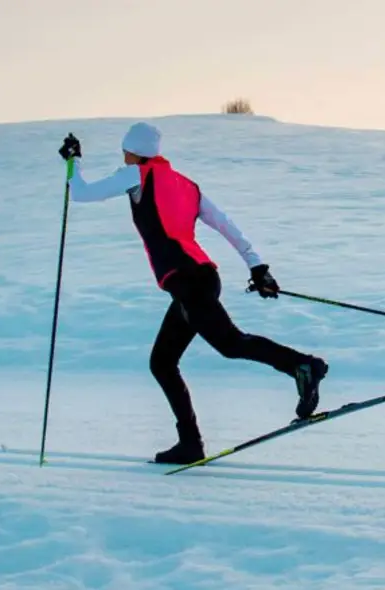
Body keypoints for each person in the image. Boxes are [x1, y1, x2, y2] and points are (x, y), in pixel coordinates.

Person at [58, 122, 329, 465]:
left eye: (125, 151)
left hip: (189, 282)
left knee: (231, 344)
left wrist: (72, 162)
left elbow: (80, 193)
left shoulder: (136, 174)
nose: (123, 157)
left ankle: (303, 366)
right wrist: (256, 266)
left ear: (134, 151)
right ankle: (190, 444)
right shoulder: (187, 185)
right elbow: (225, 223)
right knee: (162, 362)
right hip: (197, 280)